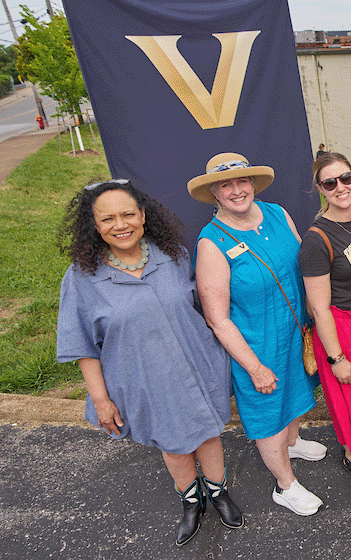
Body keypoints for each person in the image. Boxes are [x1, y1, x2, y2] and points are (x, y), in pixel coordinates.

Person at [56, 179, 242, 547]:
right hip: (143, 377)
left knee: (207, 434)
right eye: (108, 218)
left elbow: (204, 305)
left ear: (143, 215)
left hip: (195, 365)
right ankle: (192, 500)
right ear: (94, 225)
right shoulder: (81, 278)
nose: (120, 224)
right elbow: (83, 345)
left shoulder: (173, 255)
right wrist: (101, 400)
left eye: (128, 214)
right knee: (173, 443)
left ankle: (218, 491)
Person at [190, 153, 327, 517]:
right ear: (215, 194)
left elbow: (304, 266)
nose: (237, 190)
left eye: (242, 181)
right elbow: (217, 319)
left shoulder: (278, 214)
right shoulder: (212, 243)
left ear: (253, 184)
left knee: (297, 390)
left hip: (295, 330)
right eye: (226, 185)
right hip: (257, 344)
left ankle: (293, 442)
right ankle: (286, 485)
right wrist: (253, 367)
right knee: (269, 413)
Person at [298, 152, 351, 483]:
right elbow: (319, 308)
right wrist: (336, 358)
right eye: (330, 183)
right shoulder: (316, 241)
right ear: (320, 188)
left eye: (346, 178)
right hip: (343, 329)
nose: (340, 187)